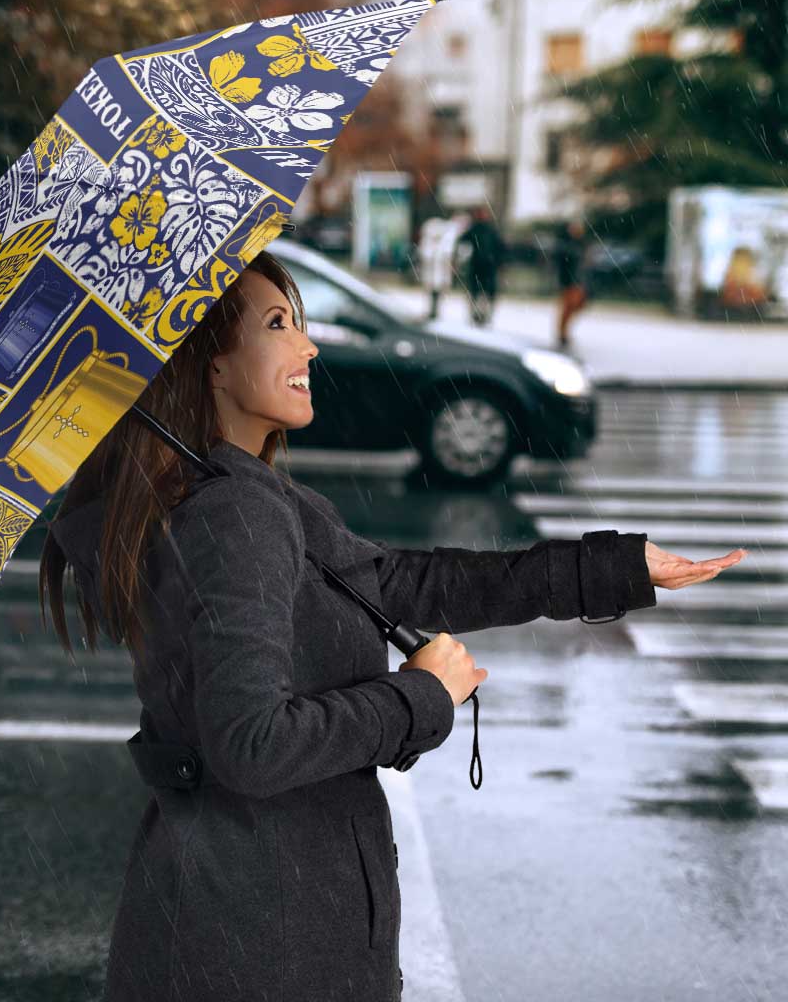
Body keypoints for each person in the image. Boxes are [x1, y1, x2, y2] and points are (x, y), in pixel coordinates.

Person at [41, 249, 744, 1002]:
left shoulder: (232, 497)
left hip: (236, 919)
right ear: (211, 363)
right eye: (278, 325)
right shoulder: (235, 513)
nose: (308, 346)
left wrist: (613, 568)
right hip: (264, 941)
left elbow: (404, 584)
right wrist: (419, 697)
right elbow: (252, 745)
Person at [456, 204, 506, 327]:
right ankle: (477, 315)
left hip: (486, 267)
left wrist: (499, 262)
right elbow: (462, 241)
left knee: (483, 293)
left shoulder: (488, 230)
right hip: (480, 266)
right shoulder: (478, 229)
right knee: (478, 292)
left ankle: (483, 315)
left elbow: (500, 248)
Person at [554, 217, 590, 349]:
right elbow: (563, 264)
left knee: (576, 305)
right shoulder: (566, 245)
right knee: (568, 307)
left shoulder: (580, 244)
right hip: (569, 281)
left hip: (578, 281)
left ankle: (563, 332)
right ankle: (562, 333)